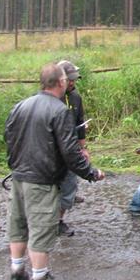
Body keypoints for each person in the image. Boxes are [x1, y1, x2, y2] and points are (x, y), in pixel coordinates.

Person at [4, 63, 105, 280]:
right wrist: (91, 172)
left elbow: (8, 137)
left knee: (18, 224)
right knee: (41, 227)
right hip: (41, 180)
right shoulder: (59, 111)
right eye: (66, 80)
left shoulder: (21, 105)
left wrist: (16, 164)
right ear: (60, 82)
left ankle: (17, 270)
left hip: (18, 177)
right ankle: (40, 278)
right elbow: (71, 152)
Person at [55, 60, 89, 237]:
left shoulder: (75, 97)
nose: (73, 83)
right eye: (70, 80)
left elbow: (80, 123)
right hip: (52, 151)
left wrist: (83, 148)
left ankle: (58, 222)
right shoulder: (51, 97)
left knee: (69, 186)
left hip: (71, 149)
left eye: (75, 80)